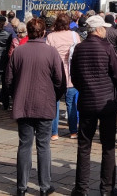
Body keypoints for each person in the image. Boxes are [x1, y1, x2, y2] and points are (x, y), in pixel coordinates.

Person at [8, 17, 66, 196]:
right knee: (43, 145)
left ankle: (22, 187)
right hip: (44, 103)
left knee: (24, 145)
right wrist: (53, 97)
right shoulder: (51, 52)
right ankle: (44, 186)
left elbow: (9, 80)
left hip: (24, 103)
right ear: (43, 32)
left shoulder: (18, 52)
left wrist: (17, 95)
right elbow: (60, 81)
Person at [70, 15, 117, 196]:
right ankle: (107, 189)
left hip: (86, 102)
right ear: (99, 30)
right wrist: (111, 89)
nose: (106, 31)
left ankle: (81, 189)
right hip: (106, 103)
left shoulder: (79, 48)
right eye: (104, 29)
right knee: (108, 146)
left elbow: (75, 76)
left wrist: (85, 88)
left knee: (84, 147)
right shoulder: (107, 48)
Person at [45, 12, 80, 140]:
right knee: (71, 104)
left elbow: (47, 56)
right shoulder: (75, 35)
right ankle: (73, 131)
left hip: (55, 74)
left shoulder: (51, 36)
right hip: (72, 74)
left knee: (55, 103)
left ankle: (54, 133)